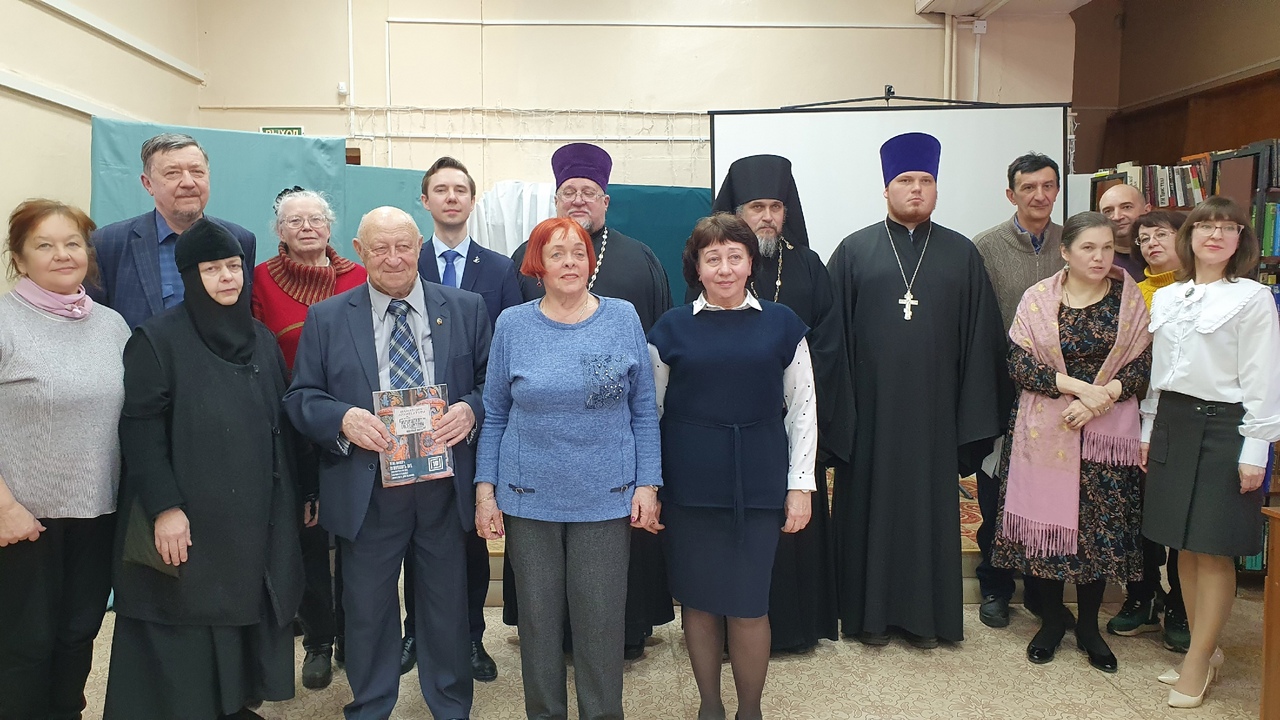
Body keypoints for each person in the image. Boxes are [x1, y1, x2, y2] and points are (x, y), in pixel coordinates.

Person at [285, 207, 489, 720]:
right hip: (368, 488)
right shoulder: (328, 317)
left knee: (446, 606)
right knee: (368, 608)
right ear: (359, 251)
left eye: (403, 246)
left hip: (443, 487)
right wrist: (343, 418)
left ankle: (450, 705)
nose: (394, 258)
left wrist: (471, 409)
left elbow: (492, 384)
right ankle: (371, 706)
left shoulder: (465, 308)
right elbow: (301, 397)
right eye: (380, 248)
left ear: (420, 246)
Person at [103, 219, 306, 720]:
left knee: (243, 608)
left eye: (234, 266)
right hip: (190, 512)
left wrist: (303, 493)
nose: (227, 278)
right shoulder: (156, 340)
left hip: (253, 516)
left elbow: (280, 424)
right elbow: (140, 432)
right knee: (189, 615)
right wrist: (165, 508)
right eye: (212, 269)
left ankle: (231, 705)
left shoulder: (260, 338)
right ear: (190, 276)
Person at [474, 216, 662, 720]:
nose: (570, 262)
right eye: (556, 253)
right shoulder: (513, 324)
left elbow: (644, 409)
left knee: (601, 622)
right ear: (537, 264)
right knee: (538, 622)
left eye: (579, 252)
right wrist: (485, 491)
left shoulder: (621, 317)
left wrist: (648, 483)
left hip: (606, 495)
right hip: (528, 496)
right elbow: (495, 413)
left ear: (591, 262)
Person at [825, 131, 1007, 648]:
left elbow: (980, 341)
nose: (916, 189)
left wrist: (969, 419)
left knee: (928, 513)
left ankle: (928, 620)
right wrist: (843, 415)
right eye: (905, 180)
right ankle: (866, 618)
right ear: (886, 189)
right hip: (871, 415)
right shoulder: (854, 251)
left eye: (926, 181)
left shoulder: (961, 253)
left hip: (935, 414)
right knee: (869, 510)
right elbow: (833, 340)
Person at [507, 142, 674, 659]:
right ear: (556, 199)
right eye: (568, 191)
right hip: (538, 460)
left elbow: (653, 363)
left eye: (588, 192)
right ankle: (546, 639)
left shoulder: (640, 258)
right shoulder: (526, 258)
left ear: (605, 200)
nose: (578, 199)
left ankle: (627, 631)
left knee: (607, 576)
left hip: (610, 457)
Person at [649, 213, 817, 720]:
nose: (724, 268)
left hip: (759, 482)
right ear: (696, 267)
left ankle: (750, 711)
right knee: (699, 603)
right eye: (712, 258)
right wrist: (650, 485)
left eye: (734, 257)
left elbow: (803, 408)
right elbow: (649, 412)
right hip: (689, 486)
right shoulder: (670, 328)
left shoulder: (782, 324)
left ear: (750, 264)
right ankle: (709, 706)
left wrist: (800, 486)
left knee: (748, 605)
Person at [991, 211, 1151, 674]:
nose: (1100, 257)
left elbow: (1141, 365)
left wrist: (1100, 401)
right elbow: (1020, 364)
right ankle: (1050, 622)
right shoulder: (1038, 299)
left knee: (1095, 534)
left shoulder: (1129, 300)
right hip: (1047, 430)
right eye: (1088, 248)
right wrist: (1080, 391)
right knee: (1045, 530)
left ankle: (1088, 628)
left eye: (1107, 248)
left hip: (1106, 439)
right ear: (1065, 251)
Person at [705, 154, 849, 653]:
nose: (767, 216)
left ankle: (795, 629)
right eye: (756, 207)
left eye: (775, 207)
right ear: (736, 211)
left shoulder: (808, 265)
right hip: (733, 426)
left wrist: (792, 394)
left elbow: (829, 343)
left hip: (793, 425)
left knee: (794, 522)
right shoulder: (717, 269)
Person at [1140, 196, 1280, 708]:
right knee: (1182, 544)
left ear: (1242, 239)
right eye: (1206, 226)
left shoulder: (1252, 298)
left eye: (1228, 228)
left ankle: (1197, 661)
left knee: (1213, 547)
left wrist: (1256, 449)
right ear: (1190, 236)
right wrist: (1147, 429)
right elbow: (1157, 373)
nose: (1216, 235)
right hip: (1173, 421)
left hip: (1226, 427)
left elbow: (1265, 376)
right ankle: (1204, 649)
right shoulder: (1168, 297)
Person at [0, 200, 130, 720]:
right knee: (25, 643)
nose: (62, 255)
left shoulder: (112, 325)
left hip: (98, 511)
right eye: (45, 245)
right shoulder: (5, 321)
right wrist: (4, 506)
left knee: (79, 633)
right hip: (23, 520)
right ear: (19, 258)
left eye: (72, 243)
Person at [405, 156, 521, 681]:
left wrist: (476, 407)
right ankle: (414, 632)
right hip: (411, 428)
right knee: (412, 534)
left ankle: (473, 637)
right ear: (425, 200)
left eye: (460, 190)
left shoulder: (499, 269)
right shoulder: (406, 261)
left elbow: (510, 344)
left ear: (473, 201)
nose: (451, 198)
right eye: (441, 189)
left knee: (471, 537)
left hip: (474, 420)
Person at [250, 186, 367, 690]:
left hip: (357, 423)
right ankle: (318, 638)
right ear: (279, 230)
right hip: (293, 426)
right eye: (294, 221)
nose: (306, 227)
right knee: (308, 536)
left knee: (359, 535)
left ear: (330, 226)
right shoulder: (259, 280)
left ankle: (355, 636)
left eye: (315, 219)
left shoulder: (360, 275)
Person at [971, 152, 1066, 628]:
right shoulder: (985, 247)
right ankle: (996, 585)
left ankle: (1043, 589)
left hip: (1062, 396)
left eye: (1048, 186)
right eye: (1029, 187)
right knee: (998, 494)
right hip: (1004, 391)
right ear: (1011, 194)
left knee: (1052, 495)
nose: (1039, 195)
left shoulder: (1073, 243)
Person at [1106, 210, 1189, 652]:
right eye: (1144, 238)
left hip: (1184, 417)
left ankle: (1181, 604)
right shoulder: (1133, 295)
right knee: (1137, 512)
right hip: (1132, 414)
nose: (1151, 243)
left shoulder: (1199, 291)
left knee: (1182, 515)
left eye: (1161, 234)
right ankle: (1142, 595)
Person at [91, 132, 257, 329]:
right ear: (148, 184)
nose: (188, 182)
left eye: (197, 172)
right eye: (173, 173)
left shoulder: (240, 240)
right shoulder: (108, 244)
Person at [1097, 183, 1151, 282]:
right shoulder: (1096, 260)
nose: (1117, 217)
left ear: (1147, 210)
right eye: (1108, 211)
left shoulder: (1165, 252)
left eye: (1126, 207)